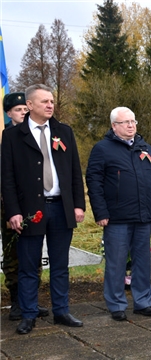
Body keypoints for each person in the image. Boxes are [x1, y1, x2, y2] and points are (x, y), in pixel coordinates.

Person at [1, 84, 86, 334]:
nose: (50, 105)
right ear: (29, 106)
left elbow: (74, 172)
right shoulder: (13, 136)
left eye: (52, 101)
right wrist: (13, 212)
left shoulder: (64, 132)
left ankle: (61, 311)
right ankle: (28, 314)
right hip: (30, 211)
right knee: (28, 265)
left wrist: (78, 205)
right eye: (44, 102)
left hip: (61, 207)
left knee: (60, 265)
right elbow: (6, 178)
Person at [86, 106, 151, 321]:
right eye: (125, 122)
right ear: (114, 126)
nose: (131, 126)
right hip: (116, 218)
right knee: (116, 262)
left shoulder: (145, 147)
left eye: (133, 121)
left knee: (142, 261)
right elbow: (94, 183)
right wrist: (100, 212)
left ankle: (143, 302)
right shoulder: (102, 149)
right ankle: (116, 304)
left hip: (143, 216)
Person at [1, 92, 50, 321]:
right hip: (9, 206)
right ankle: (16, 302)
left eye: (24, 108)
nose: (23, 112)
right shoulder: (7, 137)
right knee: (13, 255)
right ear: (8, 113)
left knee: (33, 254)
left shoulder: (38, 134)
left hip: (34, 204)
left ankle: (31, 300)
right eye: (18, 110)